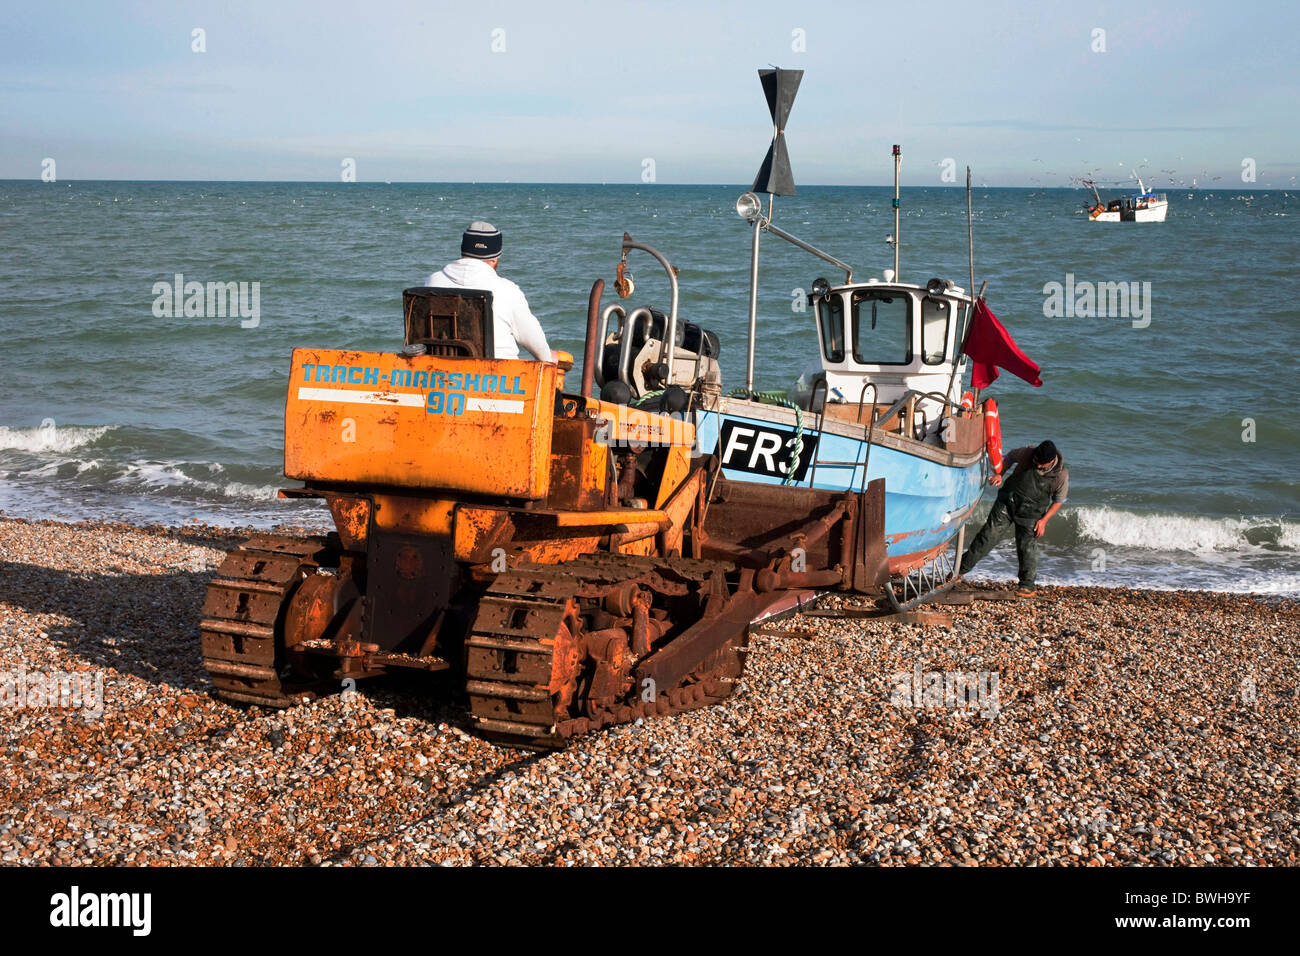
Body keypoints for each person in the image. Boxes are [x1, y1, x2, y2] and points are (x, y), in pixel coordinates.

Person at [426, 221, 555, 362]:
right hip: (499, 377)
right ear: (494, 258)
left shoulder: (432, 282)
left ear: (463, 251)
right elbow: (533, 339)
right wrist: (549, 358)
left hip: (440, 373)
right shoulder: (507, 290)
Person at [957, 440, 1069, 595]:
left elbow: (1058, 501)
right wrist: (999, 474)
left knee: (1026, 548)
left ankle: (1027, 586)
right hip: (1007, 502)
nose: (1036, 465)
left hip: (1032, 513)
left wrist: (1044, 520)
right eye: (1034, 461)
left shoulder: (1061, 474)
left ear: (1050, 461)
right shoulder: (1028, 452)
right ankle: (958, 572)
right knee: (986, 538)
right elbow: (1009, 457)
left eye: (1040, 464)